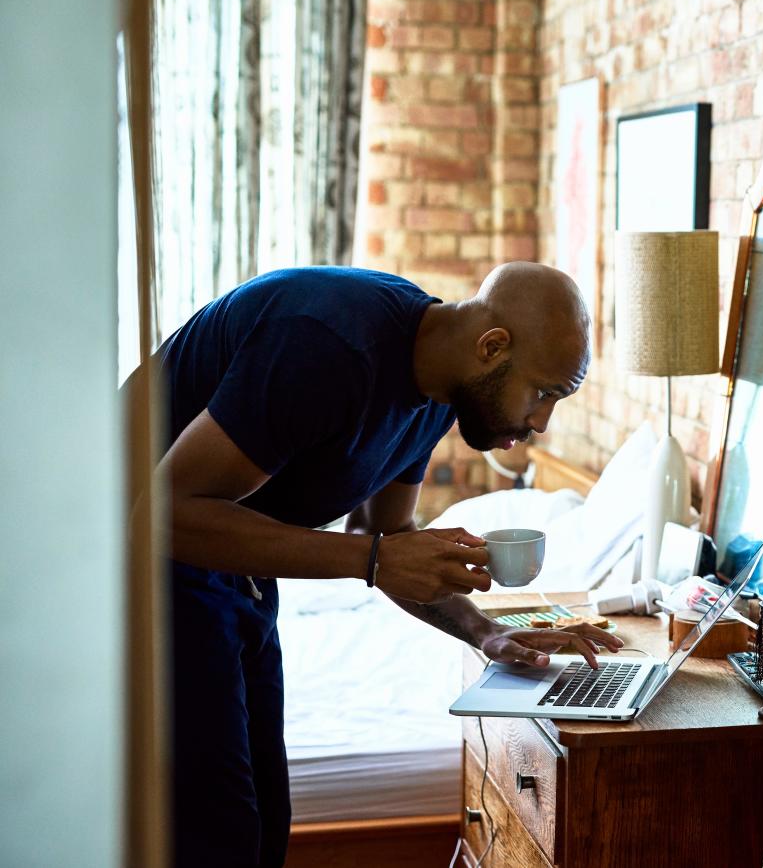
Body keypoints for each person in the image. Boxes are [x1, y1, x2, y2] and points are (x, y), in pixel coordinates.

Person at [141, 262, 624, 868]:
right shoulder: (328, 346)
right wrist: (373, 560)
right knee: (218, 833)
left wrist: (487, 632)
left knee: (264, 822)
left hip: (234, 562)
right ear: (491, 346)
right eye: (543, 392)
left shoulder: (439, 390)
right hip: (140, 562)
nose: (540, 422)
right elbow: (161, 513)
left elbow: (384, 530)